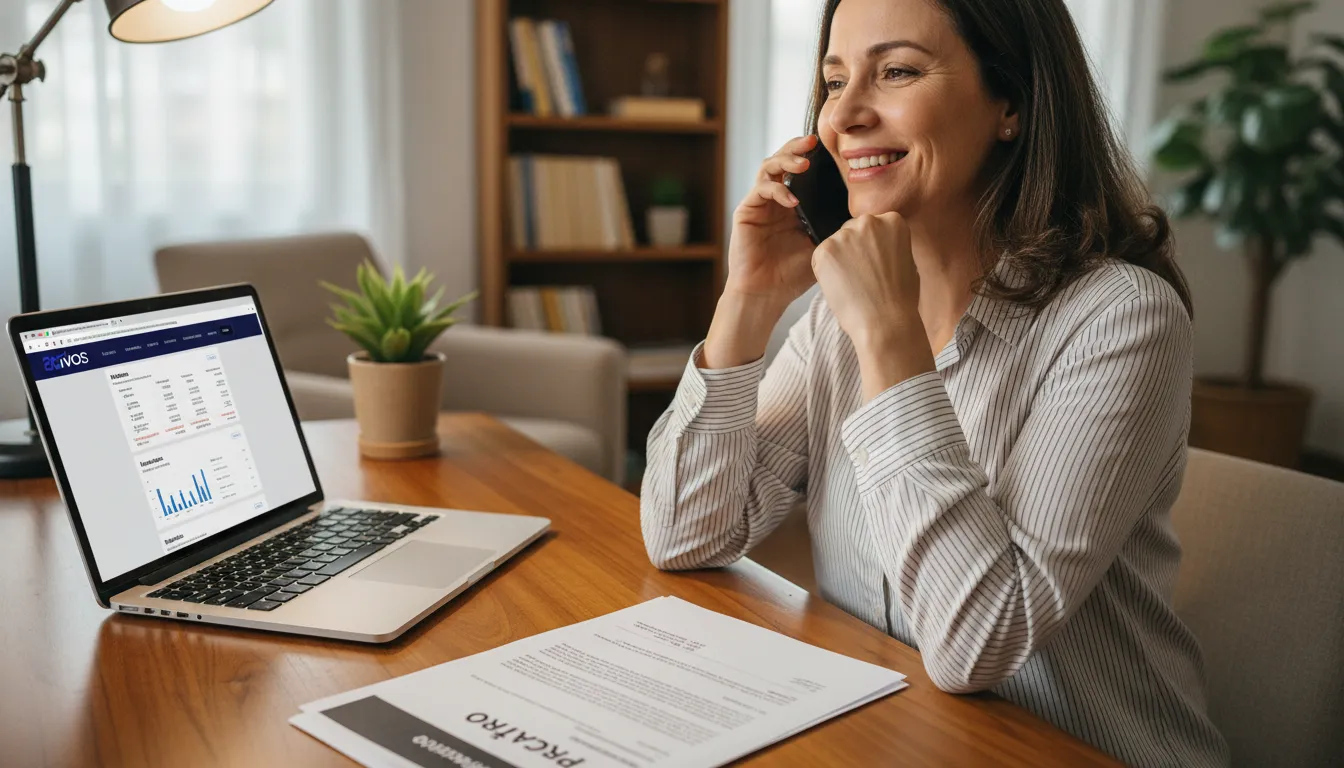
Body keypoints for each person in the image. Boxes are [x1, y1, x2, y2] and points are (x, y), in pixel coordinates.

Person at [638, 0, 1230, 765]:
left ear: (1011, 103)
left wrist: (890, 341)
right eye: (834, 79)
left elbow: (976, 641)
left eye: (896, 72)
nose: (843, 115)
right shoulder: (831, 320)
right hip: (898, 735)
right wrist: (746, 302)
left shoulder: (1121, 321)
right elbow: (686, 536)